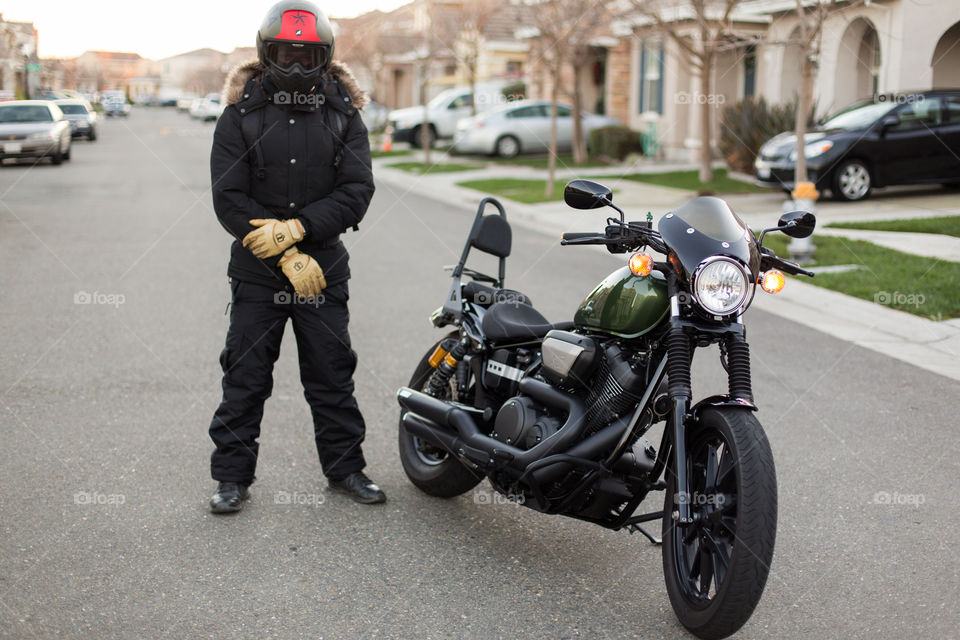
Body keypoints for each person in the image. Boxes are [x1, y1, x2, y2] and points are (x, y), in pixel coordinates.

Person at [207, 0, 384, 513]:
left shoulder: (344, 116)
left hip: (324, 270)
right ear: (267, 53)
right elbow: (228, 197)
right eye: (287, 54)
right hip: (258, 273)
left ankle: (347, 470)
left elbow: (357, 189)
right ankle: (231, 479)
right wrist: (285, 255)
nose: (298, 66)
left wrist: (299, 230)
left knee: (331, 374)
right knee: (246, 376)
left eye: (309, 57)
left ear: (325, 57)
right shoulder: (239, 115)